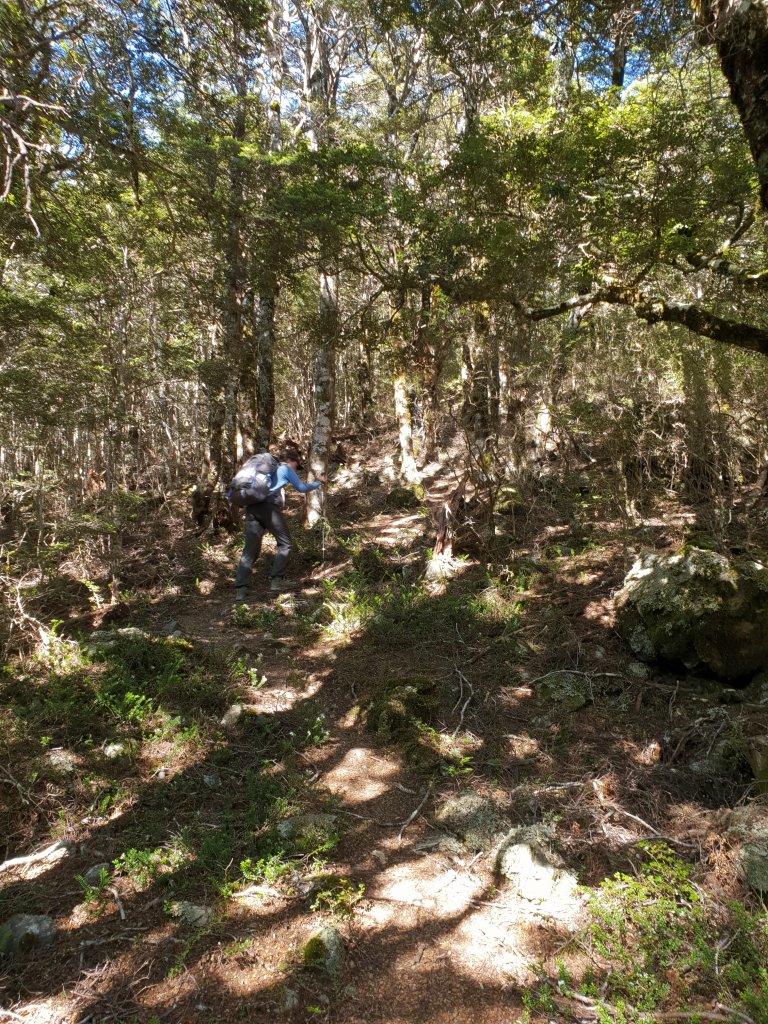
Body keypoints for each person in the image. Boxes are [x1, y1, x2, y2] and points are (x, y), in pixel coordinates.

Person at [234, 445, 325, 601]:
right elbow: (302, 488)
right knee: (285, 543)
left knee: (250, 550)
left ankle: (241, 590)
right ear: (290, 460)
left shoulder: (267, 470)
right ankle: (277, 581)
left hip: (251, 508)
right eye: (296, 465)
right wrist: (318, 483)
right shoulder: (285, 468)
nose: (296, 468)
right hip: (268, 508)